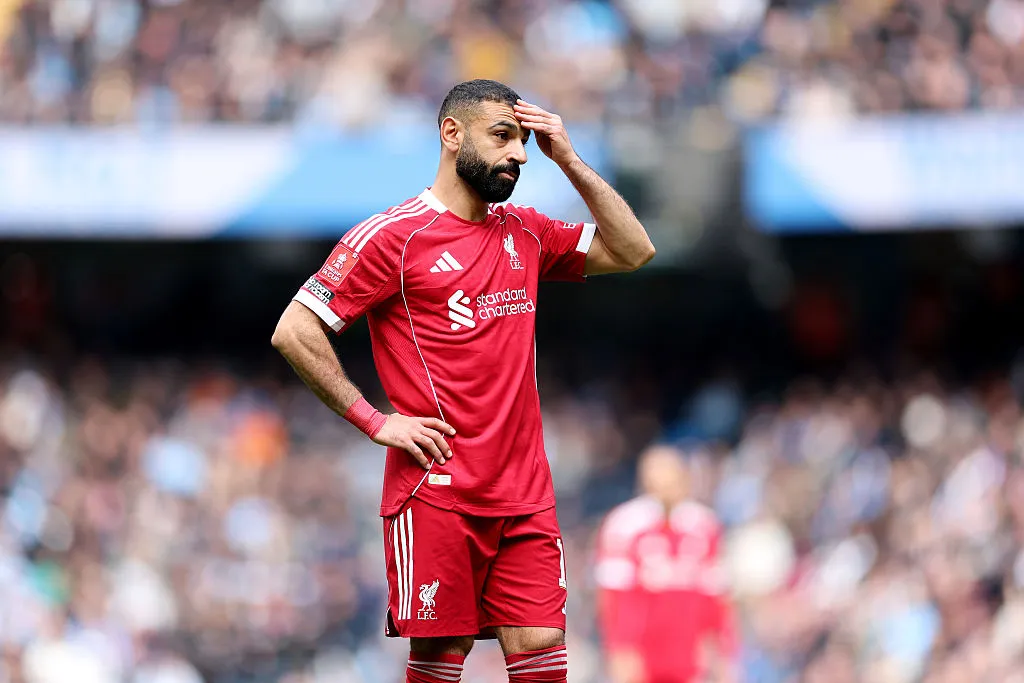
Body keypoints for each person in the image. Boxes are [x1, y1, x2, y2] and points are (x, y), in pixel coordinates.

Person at [271, 79, 655, 683]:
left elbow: (634, 250)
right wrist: (375, 421)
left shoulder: (523, 231)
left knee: (543, 647)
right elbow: (295, 330)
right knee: (441, 659)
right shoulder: (392, 238)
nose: (519, 155)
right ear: (452, 135)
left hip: (525, 492)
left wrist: (571, 160)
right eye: (503, 137)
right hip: (438, 489)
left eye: (524, 141)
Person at [595, 444, 738, 683]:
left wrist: (724, 656)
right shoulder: (624, 525)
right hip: (642, 655)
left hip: (689, 654)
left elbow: (717, 598)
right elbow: (612, 597)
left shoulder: (704, 525)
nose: (664, 490)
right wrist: (619, 652)